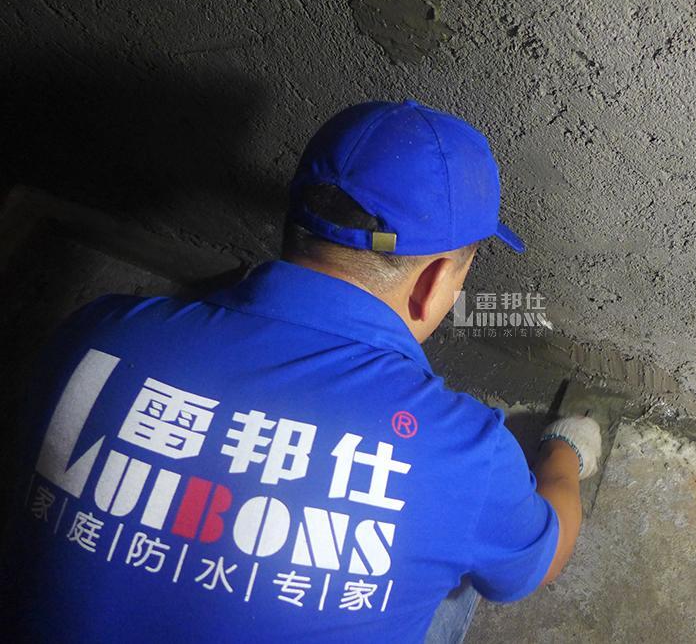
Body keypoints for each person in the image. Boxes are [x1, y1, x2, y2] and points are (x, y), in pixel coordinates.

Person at [1, 99, 602, 643]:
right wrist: (563, 454)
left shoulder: (98, 334)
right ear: (433, 282)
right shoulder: (463, 453)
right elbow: (541, 563)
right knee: (465, 557)